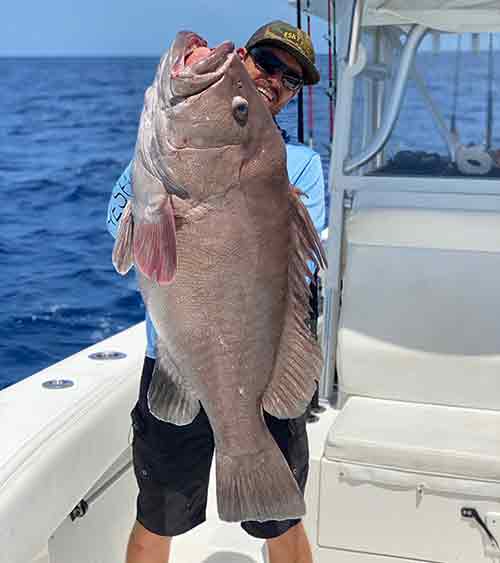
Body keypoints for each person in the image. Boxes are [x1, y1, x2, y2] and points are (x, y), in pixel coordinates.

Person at [107, 20, 326, 563]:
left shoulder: (302, 166)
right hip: (176, 360)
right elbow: (119, 218)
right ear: (246, 60)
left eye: (291, 80)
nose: (275, 80)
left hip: (260, 369)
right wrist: (151, 210)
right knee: (156, 516)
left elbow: (299, 268)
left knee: (283, 522)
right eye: (267, 64)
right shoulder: (156, 162)